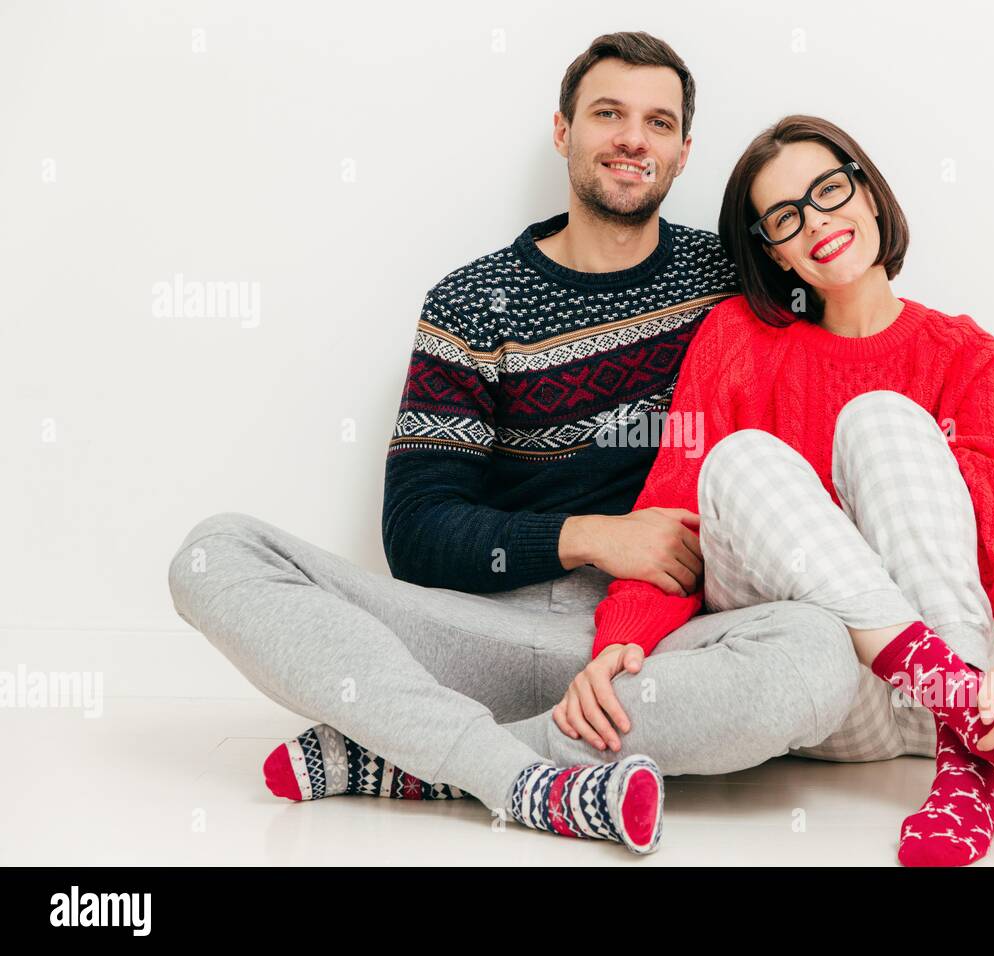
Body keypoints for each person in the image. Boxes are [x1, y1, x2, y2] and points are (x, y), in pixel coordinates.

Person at [168, 34, 880, 857]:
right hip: (487, 631)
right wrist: (593, 537)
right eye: (607, 114)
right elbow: (417, 532)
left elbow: (842, 337)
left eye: (658, 122)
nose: (631, 139)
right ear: (563, 130)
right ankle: (520, 778)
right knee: (214, 554)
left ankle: (429, 759)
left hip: (667, 648)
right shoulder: (474, 302)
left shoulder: (731, 278)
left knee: (819, 658)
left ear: (685, 152)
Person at [558, 114, 994, 865]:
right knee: (735, 459)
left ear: (868, 193)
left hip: (943, 686)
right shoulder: (736, 339)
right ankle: (982, 729)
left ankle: (964, 757)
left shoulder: (963, 353)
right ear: (774, 252)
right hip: (831, 685)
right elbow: (672, 516)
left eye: (830, 191)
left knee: (880, 419)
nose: (819, 223)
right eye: (786, 217)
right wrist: (621, 643)